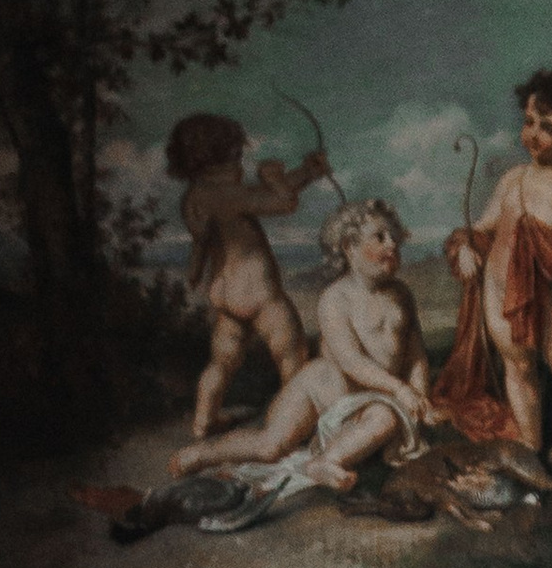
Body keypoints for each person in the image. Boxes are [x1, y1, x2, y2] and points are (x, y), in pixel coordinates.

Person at [169, 196, 435, 487]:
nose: (392, 244)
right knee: (270, 445)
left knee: (386, 416)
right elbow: (350, 360)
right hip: (326, 387)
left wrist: (420, 399)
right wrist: (399, 388)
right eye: (380, 237)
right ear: (349, 248)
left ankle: (326, 461)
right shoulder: (334, 299)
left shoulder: (403, 297)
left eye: (394, 237)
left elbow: (416, 356)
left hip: (374, 400)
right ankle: (203, 453)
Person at [433, 66, 552, 455]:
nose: (532, 134)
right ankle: (530, 444)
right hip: (502, 293)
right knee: (519, 369)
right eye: (529, 122)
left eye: (548, 127)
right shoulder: (513, 178)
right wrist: (465, 247)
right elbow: (481, 228)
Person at [163, 111, 335, 450]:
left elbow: (203, 240)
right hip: (259, 295)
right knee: (292, 354)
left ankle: (204, 420)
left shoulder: (197, 196)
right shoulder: (229, 194)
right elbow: (283, 202)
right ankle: (298, 421)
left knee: (222, 361)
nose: (241, 166)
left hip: (225, 293)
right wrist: (272, 176)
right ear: (220, 159)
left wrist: (307, 173)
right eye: (237, 158)